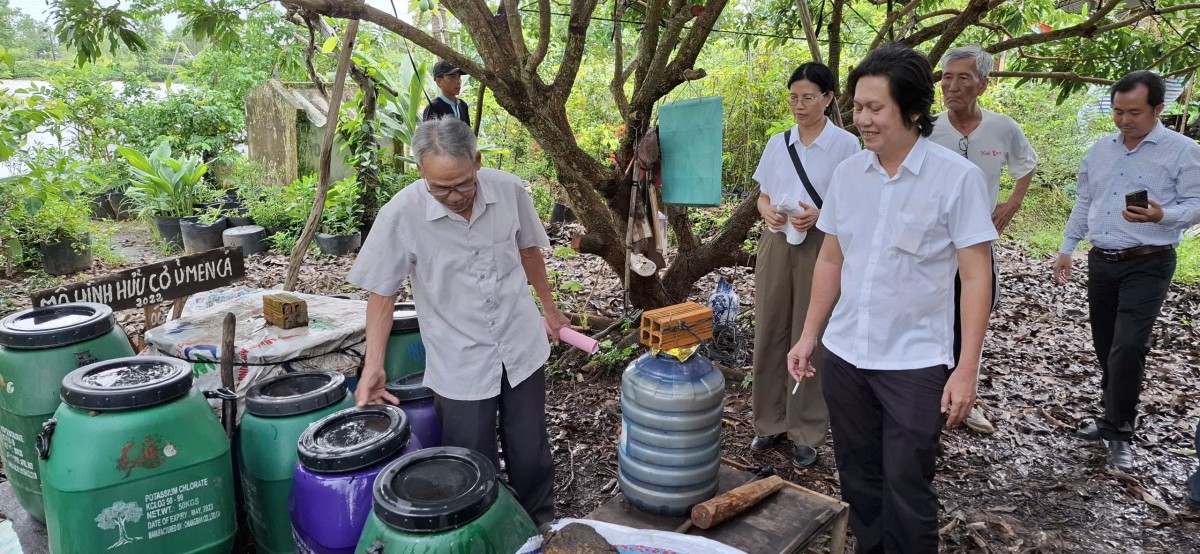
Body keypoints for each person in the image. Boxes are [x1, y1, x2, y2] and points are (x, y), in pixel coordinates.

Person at [787, 43, 997, 552]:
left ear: (913, 110)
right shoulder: (848, 175)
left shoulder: (956, 178)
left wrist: (966, 369)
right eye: (858, 107)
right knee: (859, 480)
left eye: (875, 108)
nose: (862, 119)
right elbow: (833, 260)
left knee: (907, 483)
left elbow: (975, 278)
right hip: (846, 354)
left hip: (914, 361)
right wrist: (809, 335)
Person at [346, 118, 569, 529]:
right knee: (471, 460)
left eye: (463, 184)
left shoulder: (508, 190)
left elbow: (529, 252)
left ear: (478, 162)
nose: (454, 197)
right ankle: (488, 532)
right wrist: (373, 364)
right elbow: (382, 293)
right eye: (440, 188)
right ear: (420, 174)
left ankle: (541, 525)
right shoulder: (401, 214)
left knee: (530, 449)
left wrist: (550, 311)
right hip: (459, 358)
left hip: (520, 343)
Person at [1053, 70, 1200, 471]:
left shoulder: (1183, 151)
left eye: (1134, 112)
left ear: (1158, 108)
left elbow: (1197, 203)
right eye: (1118, 112)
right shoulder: (1100, 150)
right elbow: (1085, 201)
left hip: (1149, 261)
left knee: (1129, 345)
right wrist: (1067, 248)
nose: (1124, 120)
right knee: (1106, 344)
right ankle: (1111, 413)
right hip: (1103, 261)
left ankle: (1119, 430)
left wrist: (1162, 214)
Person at [749, 62, 859, 468]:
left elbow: (854, 203)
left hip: (822, 246)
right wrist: (767, 213)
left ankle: (806, 430)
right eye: (794, 97)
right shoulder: (779, 143)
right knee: (770, 329)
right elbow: (763, 195)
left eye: (809, 97)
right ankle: (768, 422)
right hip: (777, 244)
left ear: (829, 99)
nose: (799, 105)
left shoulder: (847, 146)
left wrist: (821, 215)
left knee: (810, 334)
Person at [929, 44, 1039, 435]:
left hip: (975, 244)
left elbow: (1026, 165)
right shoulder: (928, 128)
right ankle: (927, 394)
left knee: (972, 314)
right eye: (946, 77)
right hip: (931, 246)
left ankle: (962, 392)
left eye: (964, 78)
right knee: (931, 315)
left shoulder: (1002, 128)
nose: (952, 86)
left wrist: (1013, 201)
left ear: (983, 85)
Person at [423, 60, 471, 126]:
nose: (458, 81)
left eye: (459, 77)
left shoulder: (462, 105)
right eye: (452, 77)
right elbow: (427, 134)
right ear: (439, 81)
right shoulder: (433, 107)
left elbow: (467, 133)